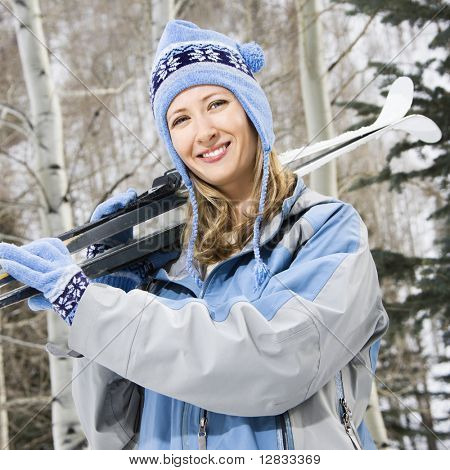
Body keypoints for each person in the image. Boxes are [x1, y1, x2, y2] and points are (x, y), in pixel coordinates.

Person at [0, 20, 389, 450]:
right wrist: (111, 289)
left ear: (251, 109)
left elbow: (276, 363)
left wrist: (93, 307)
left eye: (217, 103)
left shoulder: (327, 233)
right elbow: (112, 434)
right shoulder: (166, 268)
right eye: (180, 118)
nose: (203, 132)